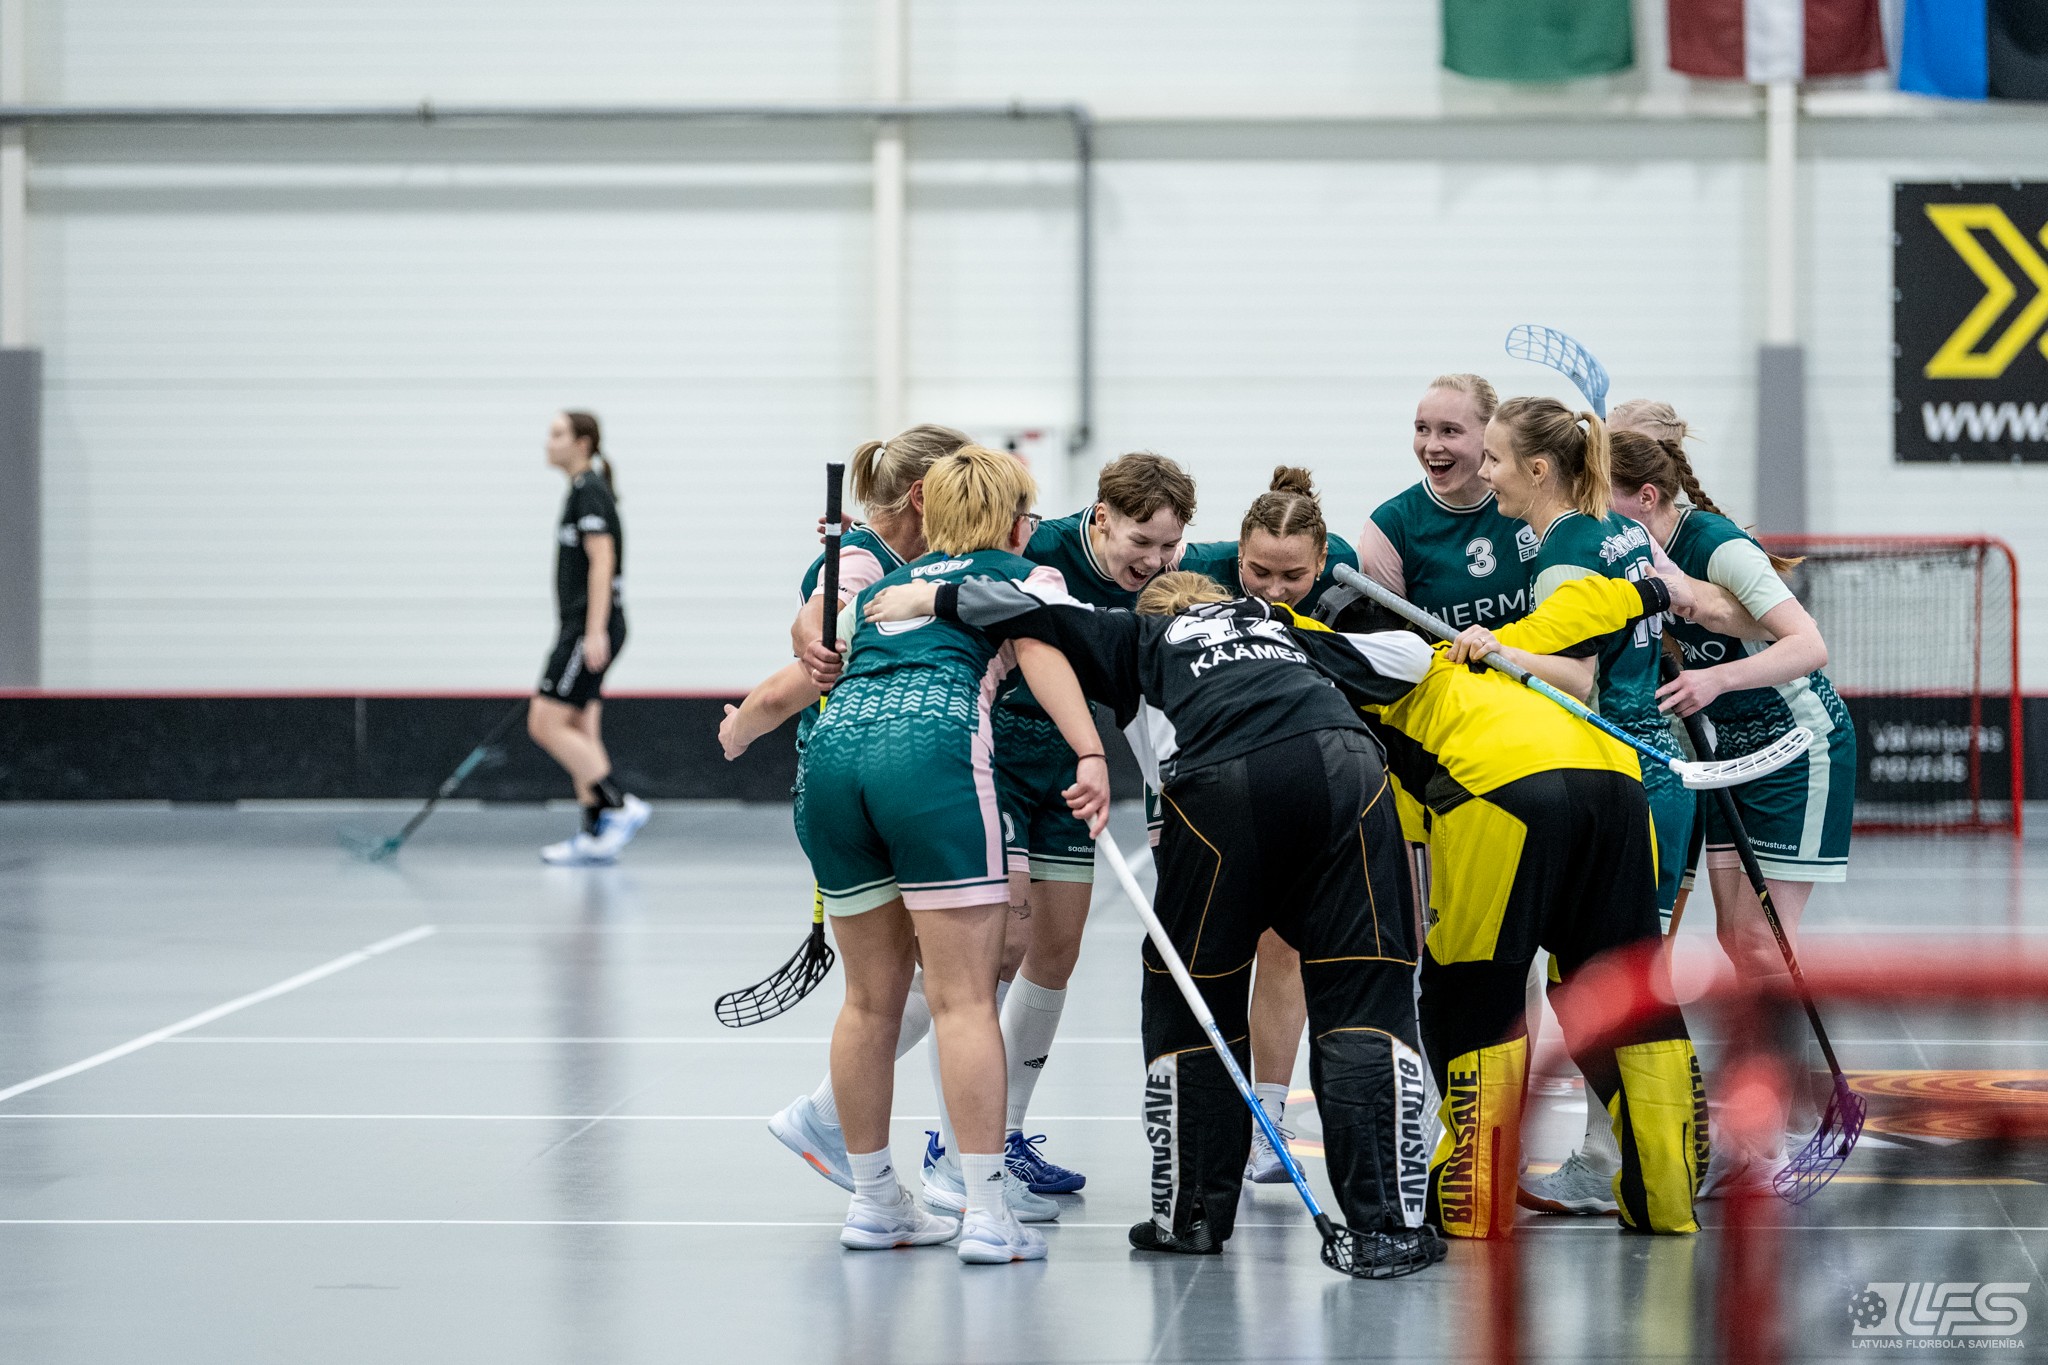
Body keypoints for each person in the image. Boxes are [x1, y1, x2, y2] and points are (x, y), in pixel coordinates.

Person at [866, 568, 1445, 1272]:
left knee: (1191, 994)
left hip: (1222, 784)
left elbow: (1027, 608)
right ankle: (1387, 1228)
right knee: (1365, 993)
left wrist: (928, 596)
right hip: (1347, 771)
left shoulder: (1140, 635)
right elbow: (1411, 659)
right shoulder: (1280, 628)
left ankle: (1190, 1215)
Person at [1315, 574, 1708, 1238]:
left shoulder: (1370, 696)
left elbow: (1405, 836)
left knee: (1473, 992)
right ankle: (1665, 1198)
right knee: (1625, 995)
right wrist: (1651, 591)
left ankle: (1475, 1199)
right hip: (1617, 787)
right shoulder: (1492, 648)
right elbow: (1588, 603)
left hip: (1501, 794)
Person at [798, 444, 1111, 1265]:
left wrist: (741, 726)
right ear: (1018, 522)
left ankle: (875, 1202)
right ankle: (986, 1211)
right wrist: (1091, 752)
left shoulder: (885, 588)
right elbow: (1047, 650)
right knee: (964, 1000)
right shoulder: (1026, 575)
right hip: (929, 761)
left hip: (830, 767)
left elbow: (802, 671)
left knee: (869, 1002)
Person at [931, 450, 1197, 1203]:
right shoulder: (1035, 546)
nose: (1154, 561)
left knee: (1056, 950)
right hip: (996, 757)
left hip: (1069, 771)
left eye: (1169, 545)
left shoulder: (1175, 568)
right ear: (1100, 517)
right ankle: (951, 1144)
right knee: (995, 951)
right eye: (1140, 542)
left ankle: (1007, 1134)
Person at [718, 426, 974, 1198]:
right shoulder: (861, 561)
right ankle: (931, 1158)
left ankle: (845, 1125)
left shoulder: (924, 556)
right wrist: (743, 725)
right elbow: (809, 645)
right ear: (925, 496)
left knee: (950, 973)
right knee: (926, 979)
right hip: (859, 784)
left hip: (898, 778)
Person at [1607, 404, 1855, 1196]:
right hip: (1727, 753)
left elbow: (1809, 644)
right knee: (1733, 941)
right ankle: (1753, 1129)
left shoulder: (1716, 544)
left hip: (1798, 743)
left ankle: (1771, 1139)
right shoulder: (1621, 547)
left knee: (1761, 945)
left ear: (1646, 495)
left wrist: (1715, 676)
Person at [1457, 397, 1696, 1218]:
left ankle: (1615, 1161)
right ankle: (1655, 1169)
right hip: (1646, 775)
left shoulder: (1564, 554)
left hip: (1617, 775)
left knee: (1602, 989)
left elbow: (1580, 676)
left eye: (1493, 458)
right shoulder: (1616, 529)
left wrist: (1502, 651)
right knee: (1626, 984)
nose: (1484, 472)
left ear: (1537, 469)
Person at [1179, 467, 1356, 1183]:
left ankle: (1269, 1121)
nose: (1274, 590)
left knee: (1284, 947)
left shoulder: (1347, 584)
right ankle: (1203, 1120)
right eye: (1259, 572)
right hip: (1206, 786)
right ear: (1238, 553)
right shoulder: (1197, 572)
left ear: (1322, 560)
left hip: (1298, 782)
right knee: (1213, 950)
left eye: (1293, 576)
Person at [529, 411, 649, 866]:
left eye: (557, 434)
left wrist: (594, 630)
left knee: (545, 723)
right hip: (581, 627)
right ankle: (595, 833)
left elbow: (603, 560)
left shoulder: (590, 491)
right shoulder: (580, 490)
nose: (548, 442)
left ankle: (618, 805)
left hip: (587, 629)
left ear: (582, 443)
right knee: (581, 727)